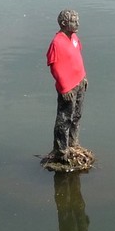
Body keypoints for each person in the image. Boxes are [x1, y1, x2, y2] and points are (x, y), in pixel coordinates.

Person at [47, 9, 87, 163]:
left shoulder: (74, 38)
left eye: (77, 20)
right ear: (64, 23)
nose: (77, 24)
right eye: (74, 21)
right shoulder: (57, 43)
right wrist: (64, 88)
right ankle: (61, 151)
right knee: (65, 120)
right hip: (68, 88)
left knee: (77, 115)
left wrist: (83, 77)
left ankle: (73, 143)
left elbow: (78, 57)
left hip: (79, 83)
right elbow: (55, 67)